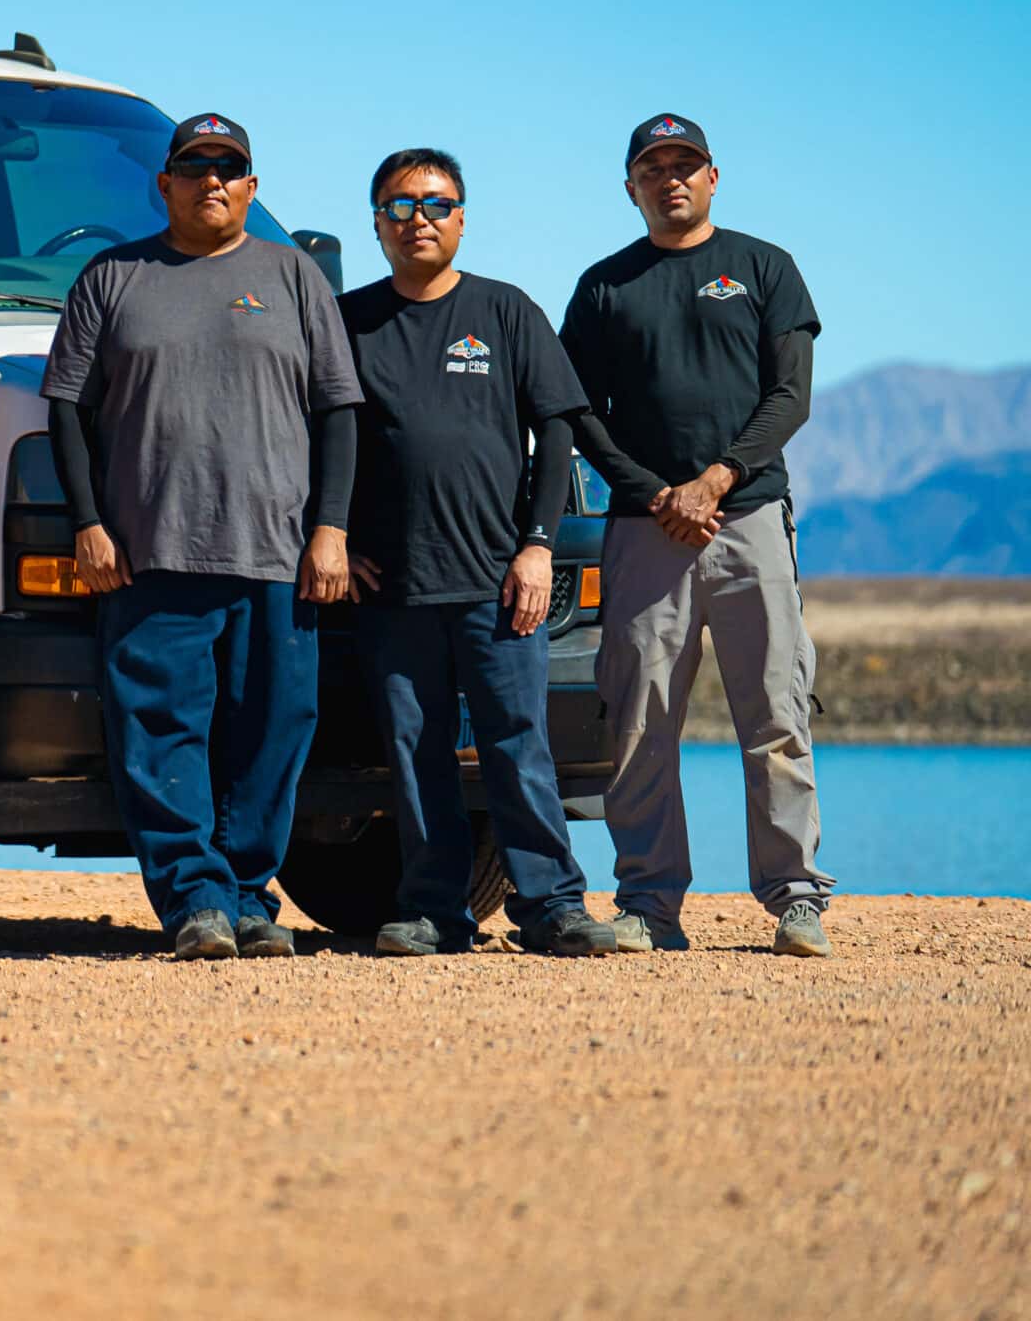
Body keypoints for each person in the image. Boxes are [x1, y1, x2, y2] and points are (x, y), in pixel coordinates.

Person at [43, 114, 362, 960]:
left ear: (252, 188)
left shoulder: (294, 276)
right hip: (152, 551)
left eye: (229, 168)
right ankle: (193, 900)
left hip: (276, 552)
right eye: (194, 166)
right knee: (161, 731)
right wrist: (88, 523)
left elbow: (338, 413)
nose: (211, 180)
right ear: (166, 183)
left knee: (275, 729)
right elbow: (67, 410)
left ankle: (249, 894)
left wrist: (330, 529)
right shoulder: (113, 276)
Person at [562, 114, 833, 959]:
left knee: (776, 709)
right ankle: (648, 903)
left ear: (714, 176)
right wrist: (653, 493)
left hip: (747, 522)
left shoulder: (763, 268)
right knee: (639, 720)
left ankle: (795, 900)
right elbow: (578, 414)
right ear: (631, 185)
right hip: (646, 533)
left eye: (685, 164)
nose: (670, 177)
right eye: (653, 166)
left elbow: (791, 396)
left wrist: (715, 481)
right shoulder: (607, 286)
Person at [338, 149, 619, 958]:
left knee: (517, 740)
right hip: (393, 584)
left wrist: (535, 548)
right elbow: (323, 440)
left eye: (435, 203)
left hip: (498, 580)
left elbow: (557, 428)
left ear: (461, 216)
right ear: (378, 224)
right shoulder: (351, 322)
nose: (417, 218)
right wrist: (337, 535)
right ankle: (435, 911)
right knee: (415, 751)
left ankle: (552, 906)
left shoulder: (506, 311)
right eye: (398, 206)